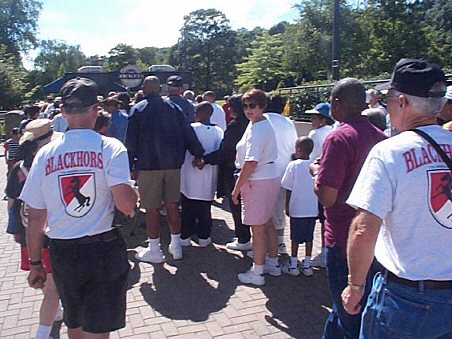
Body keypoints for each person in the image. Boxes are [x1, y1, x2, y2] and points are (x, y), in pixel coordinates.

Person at [20, 78, 138, 338]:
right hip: (103, 248)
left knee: (75, 322)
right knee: (99, 328)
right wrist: (133, 192)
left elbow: (36, 215)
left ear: (62, 112)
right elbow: (125, 204)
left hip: (63, 251)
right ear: (95, 110)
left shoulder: (45, 154)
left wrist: (36, 261)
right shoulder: (110, 147)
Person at [342, 59, 451, 338]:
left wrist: (355, 285)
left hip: (408, 299)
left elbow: (364, 228)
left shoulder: (389, 152)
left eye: (388, 99)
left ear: (401, 101)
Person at [311, 78, 386, 338]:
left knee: (350, 313)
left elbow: (327, 197)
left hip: (343, 239)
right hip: (374, 240)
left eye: (331, 101)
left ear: (337, 103)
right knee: (350, 307)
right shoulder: (380, 137)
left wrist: (315, 175)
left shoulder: (339, 137)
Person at [127, 76, 204, 263]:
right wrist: (198, 153)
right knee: (172, 205)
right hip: (173, 165)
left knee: (151, 209)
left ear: (144, 89)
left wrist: (129, 166)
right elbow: (188, 132)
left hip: (149, 165)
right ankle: (176, 245)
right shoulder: (173, 108)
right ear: (160, 89)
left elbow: (131, 142)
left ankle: (155, 249)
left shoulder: (137, 109)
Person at [6, 119, 63, 339]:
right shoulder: (51, 167)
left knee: (41, 279)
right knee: (52, 289)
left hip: (28, 233)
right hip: (50, 232)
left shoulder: (17, 170)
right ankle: (43, 333)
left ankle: (54, 311)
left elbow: (11, 204)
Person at [231, 89, 280, 286]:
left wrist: (236, 189)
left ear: (262, 106)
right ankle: (273, 263)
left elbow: (251, 163)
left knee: (258, 229)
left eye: (253, 105)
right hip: (268, 176)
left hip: (258, 179)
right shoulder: (260, 124)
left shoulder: (258, 128)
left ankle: (257, 272)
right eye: (245, 106)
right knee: (267, 224)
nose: (249, 110)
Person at [202, 95, 252, 251]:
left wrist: (205, 159)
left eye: (230, 107)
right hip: (249, 171)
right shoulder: (251, 124)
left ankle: (243, 238)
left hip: (233, 170)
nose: (228, 109)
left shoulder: (235, 125)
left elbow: (226, 151)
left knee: (236, 204)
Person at [180, 102, 223, 246]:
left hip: (189, 175)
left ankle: (185, 237)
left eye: (196, 112)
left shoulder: (191, 128)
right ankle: (204, 237)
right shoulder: (219, 131)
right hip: (208, 176)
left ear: (201, 113)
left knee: (187, 208)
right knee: (205, 209)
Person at [264, 94, 298, 256]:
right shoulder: (289, 122)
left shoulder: (261, 120)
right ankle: (280, 242)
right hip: (284, 171)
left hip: (265, 172)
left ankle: (265, 246)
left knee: (263, 210)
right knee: (279, 209)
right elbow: (294, 148)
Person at [281, 137, 318, 277]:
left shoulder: (293, 165)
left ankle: (293, 264)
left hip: (297, 208)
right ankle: (307, 264)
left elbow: (288, 187)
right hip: (312, 208)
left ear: (298, 150)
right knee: (309, 237)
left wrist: (287, 205)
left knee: (295, 237)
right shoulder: (314, 165)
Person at [305, 102, 334, 268]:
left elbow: (311, 157)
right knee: (325, 217)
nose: (312, 120)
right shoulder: (331, 131)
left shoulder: (315, 134)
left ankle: (324, 250)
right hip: (329, 177)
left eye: (315, 117)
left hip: (316, 176)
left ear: (323, 119)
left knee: (320, 216)